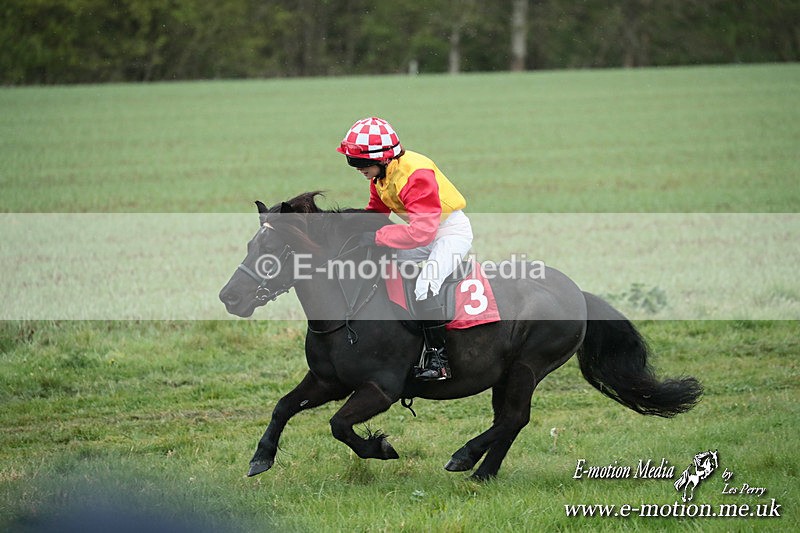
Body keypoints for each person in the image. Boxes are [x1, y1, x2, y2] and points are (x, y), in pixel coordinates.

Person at [336, 117, 473, 381]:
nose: (358, 169)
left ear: (383, 158)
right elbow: (376, 213)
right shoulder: (382, 176)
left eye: (361, 163)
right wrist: (344, 225)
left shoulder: (415, 175)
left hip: (449, 234)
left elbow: (422, 233)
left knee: (425, 287)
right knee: (378, 263)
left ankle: (439, 360)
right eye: (352, 162)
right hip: (424, 233)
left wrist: (377, 237)